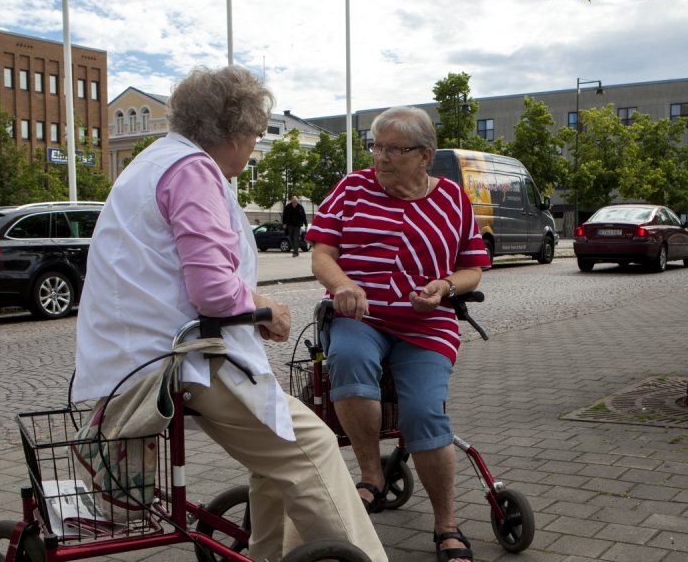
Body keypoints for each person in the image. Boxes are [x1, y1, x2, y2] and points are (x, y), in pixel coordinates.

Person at [73, 65, 386, 562]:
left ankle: (268, 555)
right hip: (180, 358)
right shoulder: (193, 171)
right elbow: (213, 290)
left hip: (142, 355)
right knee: (313, 448)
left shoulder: (155, 161)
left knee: (275, 459)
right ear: (236, 130)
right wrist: (267, 309)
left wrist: (249, 310)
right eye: (256, 134)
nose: (253, 144)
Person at [306, 106, 489, 562]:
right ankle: (372, 476)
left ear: (424, 155)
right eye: (376, 146)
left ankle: (446, 524)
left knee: (425, 413)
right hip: (360, 316)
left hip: (426, 324)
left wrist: (445, 287)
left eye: (393, 149)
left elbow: (473, 269)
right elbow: (322, 254)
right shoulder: (352, 189)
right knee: (347, 359)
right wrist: (343, 285)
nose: (380, 158)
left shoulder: (451, 199)